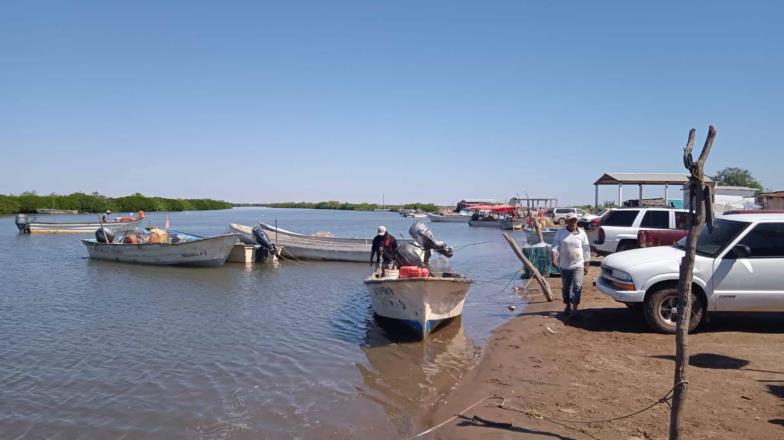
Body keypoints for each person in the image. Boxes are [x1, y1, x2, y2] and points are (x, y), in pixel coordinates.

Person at [551, 212, 591, 315]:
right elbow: (554, 247)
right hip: (564, 265)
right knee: (566, 287)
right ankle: (568, 305)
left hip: (578, 264)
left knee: (577, 286)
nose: (573, 222)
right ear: (566, 222)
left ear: (576, 221)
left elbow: (586, 249)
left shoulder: (582, 233)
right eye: (570, 220)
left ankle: (574, 309)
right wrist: (554, 259)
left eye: (574, 220)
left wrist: (587, 264)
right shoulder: (560, 233)